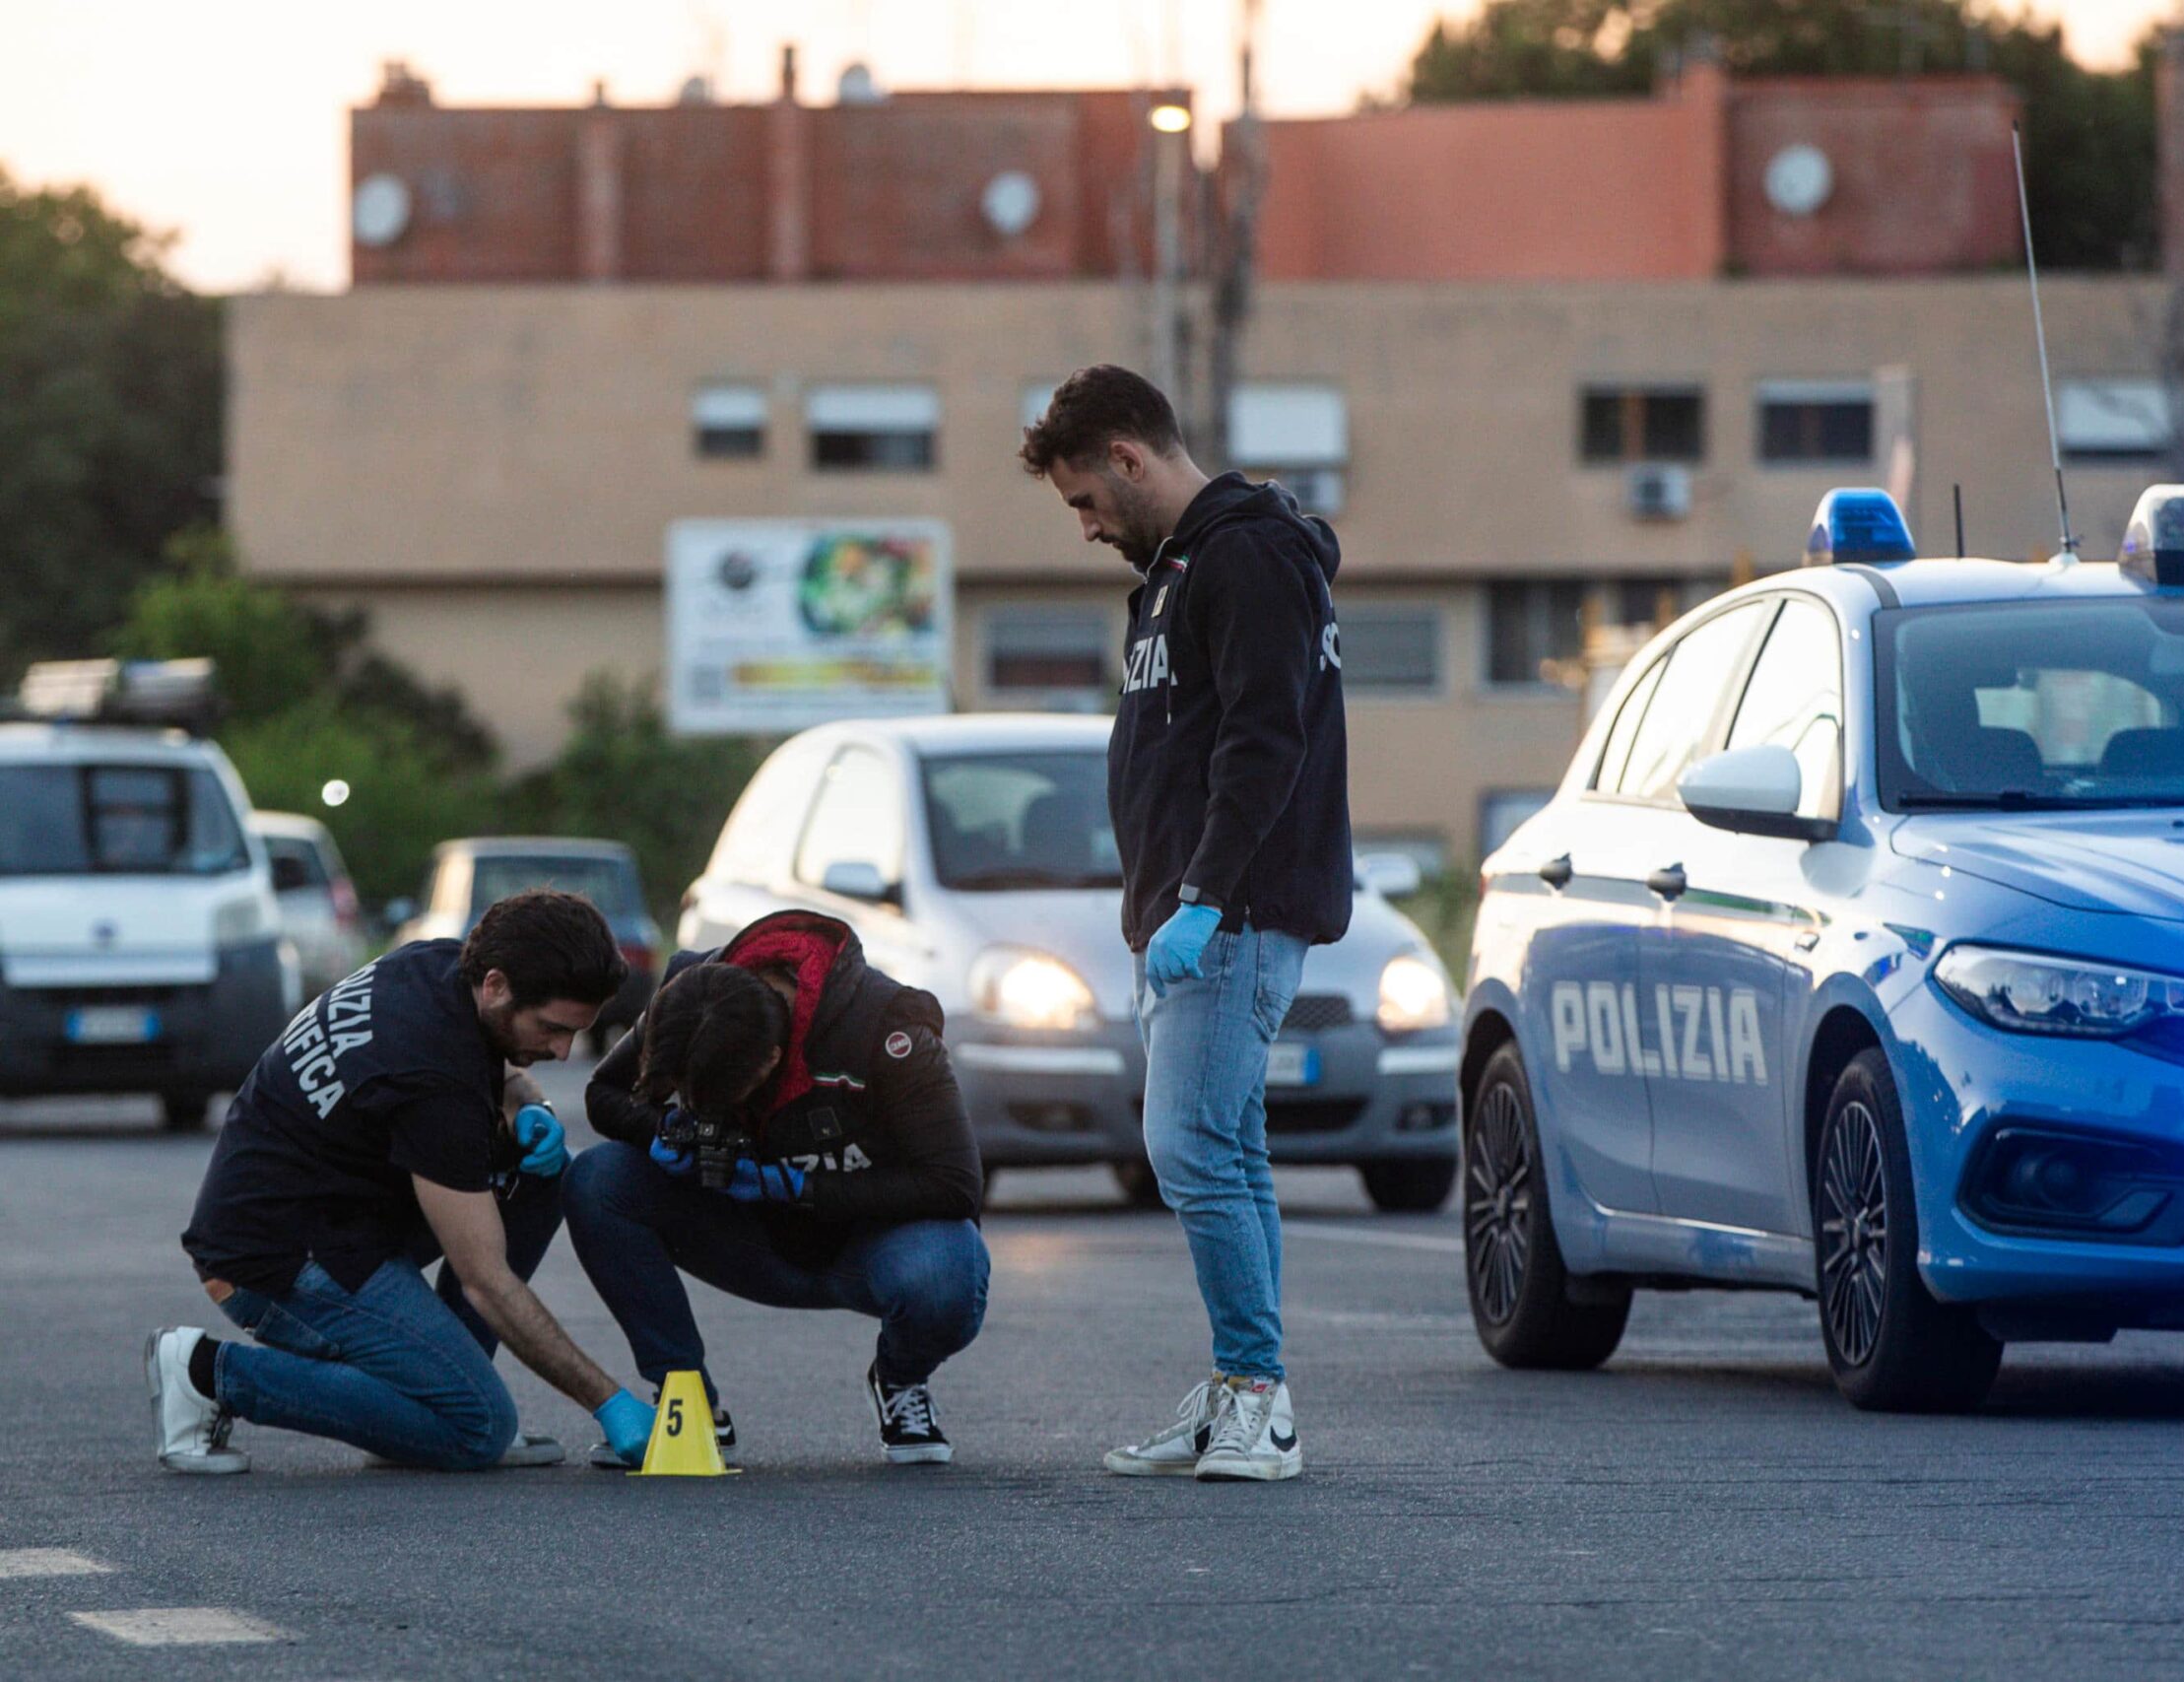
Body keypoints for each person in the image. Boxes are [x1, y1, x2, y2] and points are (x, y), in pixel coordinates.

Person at [1020, 364, 1352, 1482]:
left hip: (1232, 909)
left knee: (1189, 1147)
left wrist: (1204, 896)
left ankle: (1260, 1398)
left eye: (1083, 500)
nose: (1083, 527)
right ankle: (1236, 1388)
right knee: (1230, 1149)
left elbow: (1265, 739)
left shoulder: (1249, 556)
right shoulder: (1176, 571)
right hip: (1189, 909)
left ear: (1127, 456)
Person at [157, 891, 656, 1474]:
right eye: (550, 1029)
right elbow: (485, 1282)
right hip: (270, 1262)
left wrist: (529, 1102)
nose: (562, 1050)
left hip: (336, 1211)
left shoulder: (440, 964)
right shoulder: (429, 1079)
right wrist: (609, 1400)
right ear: (496, 986)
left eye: (576, 1033)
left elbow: (499, 1069)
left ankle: (418, 1409)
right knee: (478, 1428)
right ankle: (207, 1373)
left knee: (538, 1177)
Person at [566, 908, 988, 1466]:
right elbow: (605, 1095)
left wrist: (798, 1184)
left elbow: (955, 1185)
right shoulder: (690, 997)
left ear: (771, 1059)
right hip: (747, 1235)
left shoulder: (888, 1027)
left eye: (727, 1100)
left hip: (869, 1247)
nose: (719, 1113)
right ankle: (688, 1403)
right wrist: (668, 1128)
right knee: (598, 1179)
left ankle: (901, 1378)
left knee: (948, 1271)